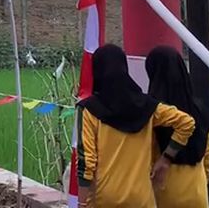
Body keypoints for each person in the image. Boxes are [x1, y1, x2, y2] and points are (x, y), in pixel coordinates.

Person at [75, 44, 196, 208]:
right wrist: (165, 159)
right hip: (142, 200)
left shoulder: (89, 110)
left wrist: (82, 204)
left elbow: (86, 162)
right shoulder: (148, 107)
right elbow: (186, 122)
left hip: (104, 199)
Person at [145, 46, 209, 208]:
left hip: (165, 191)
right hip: (198, 192)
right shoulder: (199, 110)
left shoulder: (156, 114)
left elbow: (148, 154)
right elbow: (207, 157)